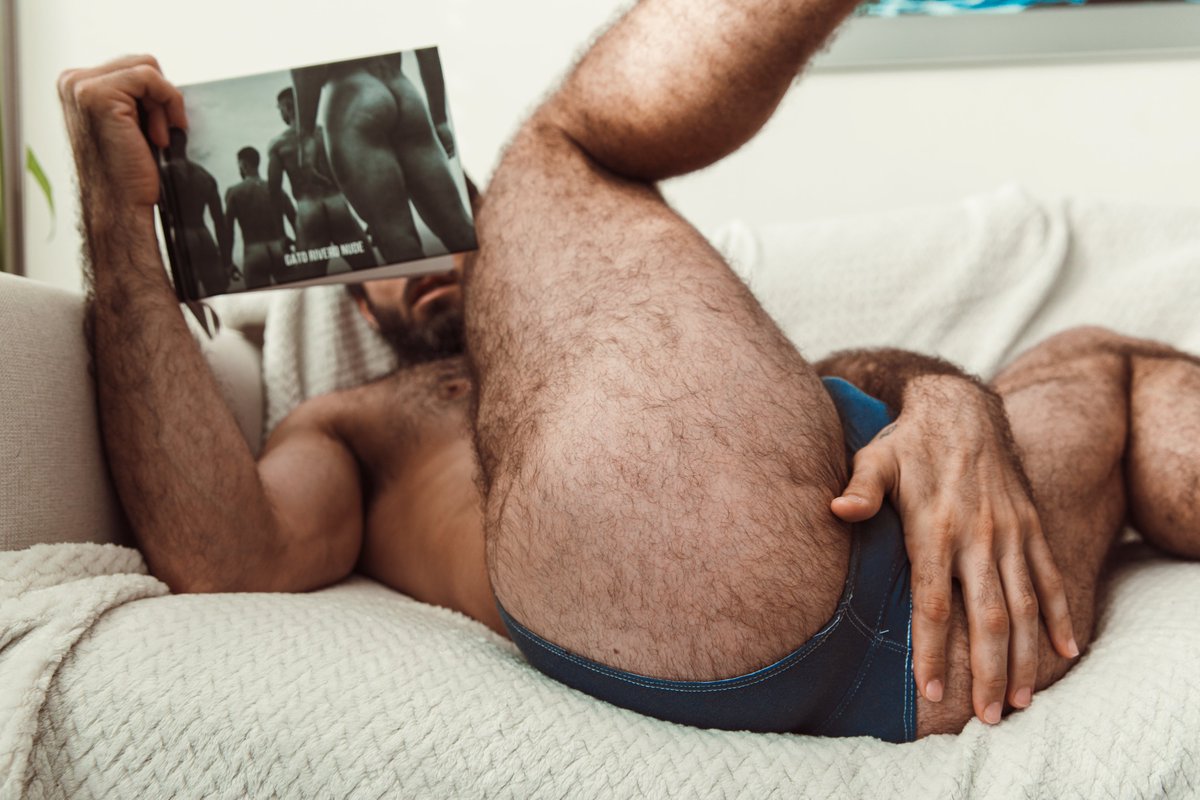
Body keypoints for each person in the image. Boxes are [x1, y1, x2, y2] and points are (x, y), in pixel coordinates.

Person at [56, 0, 1200, 743]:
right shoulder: (362, 423)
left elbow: (848, 380)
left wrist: (949, 397)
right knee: (557, 152)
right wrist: (118, 217)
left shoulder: (677, 362)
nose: (416, 275)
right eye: (380, 274)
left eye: (434, 228)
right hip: (708, 607)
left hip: (971, 621)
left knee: (1103, 365)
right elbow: (227, 555)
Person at [289, 50, 476, 262]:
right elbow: (427, 52)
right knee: (459, 228)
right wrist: (440, 119)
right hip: (403, 90)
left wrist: (305, 136)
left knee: (397, 238)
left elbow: (305, 69)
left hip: (352, 96)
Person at [267, 88, 377, 279]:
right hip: (337, 204)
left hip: (308, 210)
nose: (281, 114)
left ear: (288, 108)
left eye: (280, 109)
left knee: (311, 280)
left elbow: (274, 192)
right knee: (369, 271)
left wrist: (281, 234)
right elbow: (353, 176)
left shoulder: (279, 144)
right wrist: (371, 218)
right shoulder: (327, 134)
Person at [160, 127, 231, 298]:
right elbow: (219, 222)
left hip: (182, 234)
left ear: (167, 145)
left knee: (187, 297)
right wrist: (226, 261)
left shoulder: (165, 173)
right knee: (218, 294)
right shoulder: (205, 176)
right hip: (204, 235)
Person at [223, 146, 295, 289]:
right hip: (279, 248)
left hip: (254, 252)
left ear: (243, 165)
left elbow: (228, 231)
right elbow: (294, 218)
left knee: (260, 296)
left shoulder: (234, 192)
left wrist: (228, 262)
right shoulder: (276, 188)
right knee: (294, 293)